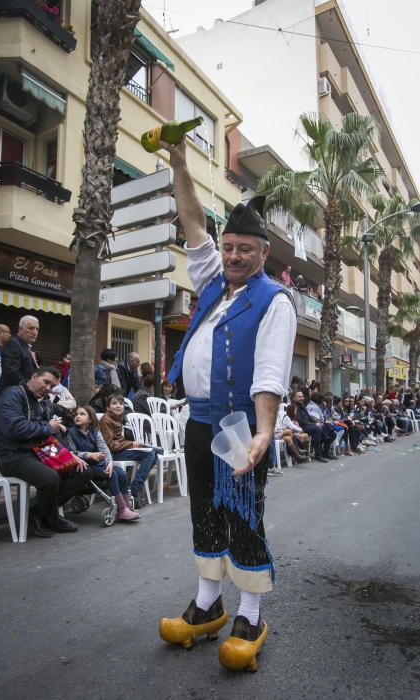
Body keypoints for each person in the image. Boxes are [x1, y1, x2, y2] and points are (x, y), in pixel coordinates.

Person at [157, 137, 297, 672]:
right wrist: (178, 164)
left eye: (245, 249)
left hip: (240, 424)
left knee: (243, 514)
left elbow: (268, 373)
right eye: (229, 246)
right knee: (205, 513)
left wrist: (264, 431)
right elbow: (193, 223)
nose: (234, 255)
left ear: (263, 254)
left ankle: (251, 613)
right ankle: (207, 605)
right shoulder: (214, 284)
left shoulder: (274, 300)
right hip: (199, 421)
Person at [0, 366, 91, 538]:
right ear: (34, 376)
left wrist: (68, 454)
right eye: (45, 382)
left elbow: (49, 433)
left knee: (82, 471)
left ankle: (39, 513)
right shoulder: (13, 395)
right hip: (13, 455)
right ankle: (49, 518)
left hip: (39, 452)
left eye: (51, 386)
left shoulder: (40, 402)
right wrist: (47, 427)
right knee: (50, 478)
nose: (47, 388)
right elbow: (14, 428)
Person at [67, 405, 139, 522]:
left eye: (82, 414)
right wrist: (88, 454)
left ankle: (126, 505)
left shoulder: (95, 432)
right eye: (76, 414)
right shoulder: (71, 433)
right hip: (86, 466)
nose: (78, 416)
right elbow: (71, 452)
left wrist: (110, 462)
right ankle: (121, 510)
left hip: (99, 464)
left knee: (121, 473)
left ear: (90, 419)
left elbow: (104, 449)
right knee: (112, 474)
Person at [100, 393, 157, 509]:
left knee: (154, 454)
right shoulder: (106, 420)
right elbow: (109, 445)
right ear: (107, 407)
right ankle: (135, 489)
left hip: (120, 450)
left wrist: (133, 445)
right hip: (112, 455)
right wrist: (131, 444)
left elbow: (119, 441)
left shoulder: (118, 417)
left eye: (121, 403)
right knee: (150, 454)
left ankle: (134, 489)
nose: (118, 406)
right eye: (114, 403)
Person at [0, 315, 40, 393]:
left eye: (37, 329)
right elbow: (11, 372)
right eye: (31, 328)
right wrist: (31, 387)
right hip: (11, 397)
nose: (35, 332)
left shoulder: (25, 347)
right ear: (20, 329)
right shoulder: (12, 344)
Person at [291, 390, 333, 462]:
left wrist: (316, 422)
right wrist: (314, 424)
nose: (301, 398)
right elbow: (299, 420)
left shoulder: (302, 405)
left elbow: (309, 417)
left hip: (309, 424)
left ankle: (326, 452)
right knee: (317, 429)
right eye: (299, 397)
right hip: (301, 427)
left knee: (329, 428)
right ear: (294, 398)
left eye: (302, 396)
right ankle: (318, 454)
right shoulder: (294, 407)